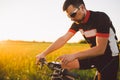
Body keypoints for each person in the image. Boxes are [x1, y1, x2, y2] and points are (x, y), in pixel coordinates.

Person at [36, 0, 119, 80]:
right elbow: (63, 39)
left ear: (82, 7)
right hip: (94, 54)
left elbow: (100, 49)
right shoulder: (77, 23)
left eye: (73, 14)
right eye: (69, 17)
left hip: (110, 57)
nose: (72, 19)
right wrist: (44, 53)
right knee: (64, 65)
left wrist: (73, 55)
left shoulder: (100, 18)